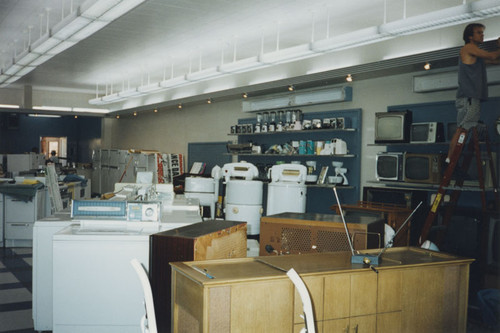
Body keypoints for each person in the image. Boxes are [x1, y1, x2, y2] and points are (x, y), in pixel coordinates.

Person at [447, 23, 500, 162]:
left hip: (471, 98)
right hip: (468, 97)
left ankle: (451, 161)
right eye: (479, 32)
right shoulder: (468, 48)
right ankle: (450, 162)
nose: (482, 35)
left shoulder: (476, 55)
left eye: (482, 32)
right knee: (461, 129)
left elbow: (494, 60)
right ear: (470, 36)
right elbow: (493, 56)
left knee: (463, 129)